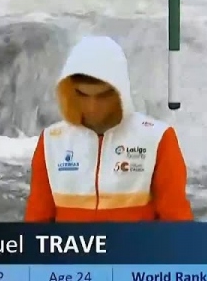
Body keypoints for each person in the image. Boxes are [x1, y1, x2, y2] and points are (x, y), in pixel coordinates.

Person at [24, 35, 193, 222]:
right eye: (82, 95)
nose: (92, 107)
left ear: (121, 92)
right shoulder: (51, 142)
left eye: (102, 96)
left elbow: (177, 221)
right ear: (69, 91)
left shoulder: (157, 139)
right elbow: (37, 221)